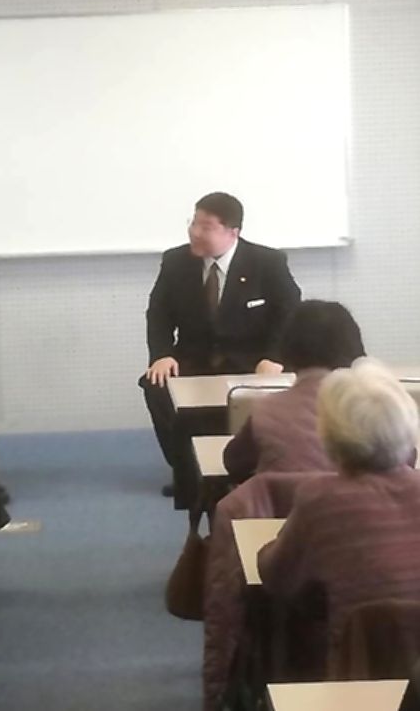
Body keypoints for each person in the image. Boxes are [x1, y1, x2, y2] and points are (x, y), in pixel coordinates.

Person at [258, 360, 420, 673]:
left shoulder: (320, 499)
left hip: (358, 671)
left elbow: (278, 579)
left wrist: (265, 549)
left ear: (331, 435)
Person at [139, 192, 301, 495]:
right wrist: (161, 354)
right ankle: (186, 470)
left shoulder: (267, 262)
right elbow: (158, 313)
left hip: (251, 358)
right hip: (194, 356)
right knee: (156, 385)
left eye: (206, 227)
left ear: (232, 232)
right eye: (193, 223)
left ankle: (251, 465)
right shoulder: (175, 261)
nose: (194, 232)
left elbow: (290, 312)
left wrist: (275, 356)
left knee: (274, 388)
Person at [223, 300, 365, 483]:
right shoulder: (370, 409)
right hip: (355, 500)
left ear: (288, 347)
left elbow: (234, 463)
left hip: (285, 501)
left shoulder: (268, 410)